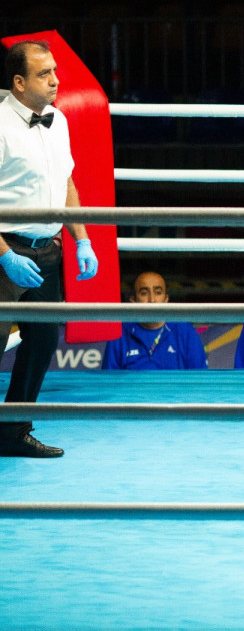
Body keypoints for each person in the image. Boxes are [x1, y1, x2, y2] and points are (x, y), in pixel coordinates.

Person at [0, 40, 99, 458]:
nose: (56, 80)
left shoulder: (57, 121)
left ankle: (12, 431)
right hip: (5, 250)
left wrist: (83, 240)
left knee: (42, 341)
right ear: (19, 82)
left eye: (55, 71)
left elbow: (66, 184)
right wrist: (5, 254)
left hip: (47, 251)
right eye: (45, 74)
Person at [102, 271, 207, 370]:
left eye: (158, 292)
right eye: (144, 293)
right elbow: (108, 383)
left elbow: (201, 381)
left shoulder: (185, 332)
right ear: (133, 300)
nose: (152, 300)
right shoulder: (120, 334)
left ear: (166, 299)